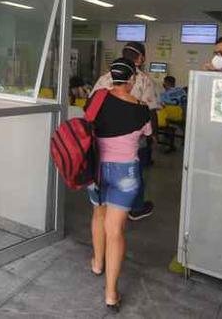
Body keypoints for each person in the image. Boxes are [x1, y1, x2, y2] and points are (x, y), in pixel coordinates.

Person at [87, 58, 152, 312]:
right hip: (125, 173)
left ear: (111, 77)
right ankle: (111, 293)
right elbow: (147, 135)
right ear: (132, 80)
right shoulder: (141, 109)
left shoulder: (97, 99)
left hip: (96, 169)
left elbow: (88, 125)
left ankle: (96, 263)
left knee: (98, 214)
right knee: (115, 230)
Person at [92, 42, 159, 221]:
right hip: (133, 137)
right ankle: (135, 208)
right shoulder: (143, 79)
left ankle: (105, 203)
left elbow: (91, 105)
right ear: (141, 58)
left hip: (102, 137)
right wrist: (153, 135)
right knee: (135, 169)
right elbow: (150, 110)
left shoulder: (105, 78)